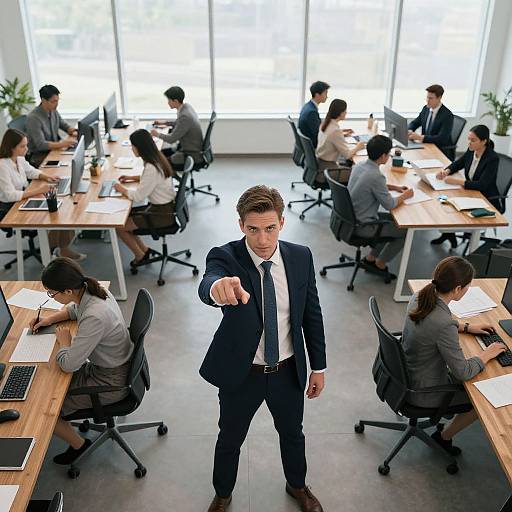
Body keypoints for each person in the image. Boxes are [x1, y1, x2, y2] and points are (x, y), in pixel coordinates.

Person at [198, 185, 326, 512]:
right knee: (229, 439)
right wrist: (216, 288)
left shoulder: (300, 257)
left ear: (282, 222)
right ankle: (223, 493)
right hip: (243, 374)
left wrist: (319, 367)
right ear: (241, 225)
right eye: (253, 230)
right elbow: (209, 280)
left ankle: (297, 485)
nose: (263, 240)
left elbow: (311, 314)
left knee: (293, 435)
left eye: (270, 228)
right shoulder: (226, 257)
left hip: (287, 371)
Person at [30, 257, 133, 465]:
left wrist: (65, 342)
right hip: (114, 367)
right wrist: (49, 319)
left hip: (110, 382)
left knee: (42, 406)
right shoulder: (92, 289)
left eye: (52, 293)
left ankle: (79, 445)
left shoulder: (95, 315)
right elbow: (76, 309)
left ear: (68, 291)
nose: (51, 297)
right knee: (46, 384)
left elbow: (69, 364)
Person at [402, 256, 506, 453]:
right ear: (458, 289)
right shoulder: (442, 323)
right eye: (467, 287)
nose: (467, 291)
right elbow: (463, 372)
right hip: (423, 391)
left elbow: (439, 323)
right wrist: (487, 353)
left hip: (409, 371)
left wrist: (466, 327)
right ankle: (443, 437)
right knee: (484, 397)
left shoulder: (421, 295)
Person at [0, 128, 85, 260]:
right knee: (56, 215)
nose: (26, 149)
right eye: (22, 146)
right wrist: (38, 191)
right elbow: (10, 195)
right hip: (9, 207)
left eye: (26, 145)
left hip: (23, 198)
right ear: (11, 147)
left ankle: (59, 248)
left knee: (61, 209)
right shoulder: (2, 166)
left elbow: (31, 171)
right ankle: (52, 252)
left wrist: (46, 177)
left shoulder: (19, 159)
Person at [347, 135, 413, 277]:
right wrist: (405, 195)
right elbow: (390, 204)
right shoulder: (376, 176)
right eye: (388, 153)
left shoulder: (359, 166)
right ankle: (380, 263)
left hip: (351, 218)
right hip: (364, 225)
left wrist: (394, 187)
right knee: (405, 231)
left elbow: (371, 185)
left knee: (392, 220)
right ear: (383, 156)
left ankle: (371, 258)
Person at [113, 129, 176, 267]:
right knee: (127, 218)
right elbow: (152, 179)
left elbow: (138, 196)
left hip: (161, 214)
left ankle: (140, 256)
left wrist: (121, 189)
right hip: (165, 208)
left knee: (120, 227)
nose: (132, 149)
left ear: (139, 147)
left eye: (133, 146)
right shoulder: (157, 158)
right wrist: (132, 178)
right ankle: (144, 251)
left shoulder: (151, 167)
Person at [432, 125, 500, 247]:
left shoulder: (492, 158)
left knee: (452, 206)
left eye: (473, 140)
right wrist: (446, 171)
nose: (469, 143)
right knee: (443, 202)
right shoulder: (471, 150)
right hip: (471, 193)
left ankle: (453, 233)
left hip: (486, 199)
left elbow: (482, 185)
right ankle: (448, 233)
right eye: (469, 139)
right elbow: (458, 164)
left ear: (484, 141)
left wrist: (457, 182)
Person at [150, 86, 203, 169]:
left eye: (169, 100)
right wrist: (166, 123)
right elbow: (179, 123)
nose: (168, 103)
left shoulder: (185, 116)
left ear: (175, 101)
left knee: (158, 163)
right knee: (158, 155)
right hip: (187, 148)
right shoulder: (186, 108)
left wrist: (157, 134)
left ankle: (166, 180)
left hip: (190, 154)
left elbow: (171, 139)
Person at [26, 84, 77, 166]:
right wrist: (63, 144)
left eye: (57, 101)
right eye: (53, 101)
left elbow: (63, 124)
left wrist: (73, 130)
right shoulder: (33, 118)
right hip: (40, 155)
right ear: (43, 100)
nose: (56, 104)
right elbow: (41, 145)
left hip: (54, 150)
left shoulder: (52, 110)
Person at [316, 99, 365, 170]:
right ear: (341, 113)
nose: (346, 112)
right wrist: (358, 147)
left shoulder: (325, 123)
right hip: (329, 168)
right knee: (358, 174)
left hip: (321, 163)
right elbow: (347, 155)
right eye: (345, 111)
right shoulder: (335, 131)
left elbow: (330, 135)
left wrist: (342, 133)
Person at [408, 84, 454, 152]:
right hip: (426, 145)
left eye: (431, 98)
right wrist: (410, 130)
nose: (427, 100)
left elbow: (442, 138)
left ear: (439, 98)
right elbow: (415, 123)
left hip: (439, 149)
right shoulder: (426, 109)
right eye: (427, 97)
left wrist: (420, 137)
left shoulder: (447, 115)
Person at [298, 81, 330, 148]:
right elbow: (318, 133)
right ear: (317, 95)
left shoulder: (308, 106)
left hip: (308, 144)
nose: (327, 96)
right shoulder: (311, 112)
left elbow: (318, 128)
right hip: (314, 144)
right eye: (325, 93)